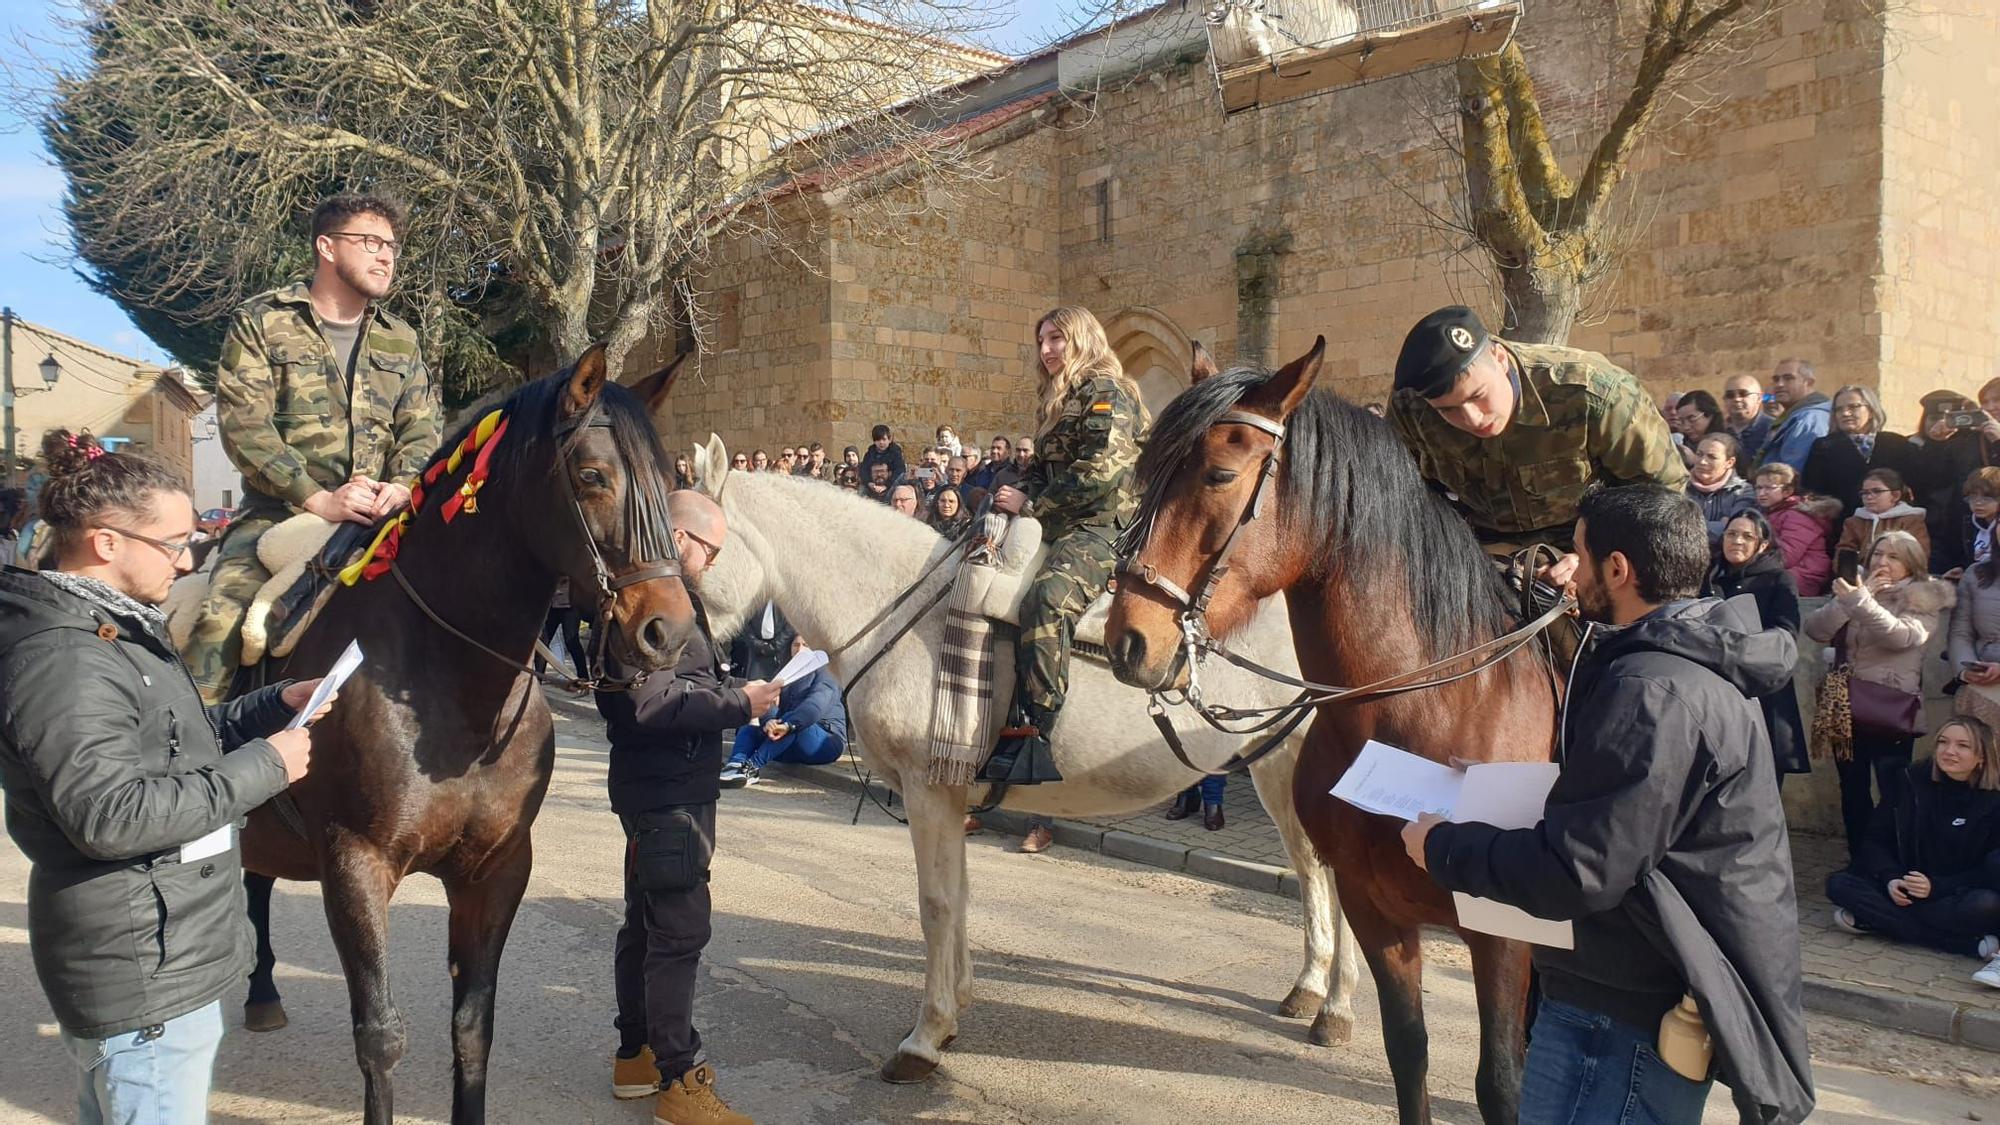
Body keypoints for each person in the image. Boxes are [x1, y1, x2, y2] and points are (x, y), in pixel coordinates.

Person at [1403, 484, 1812, 1125]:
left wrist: (1441, 848)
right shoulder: (1674, 668)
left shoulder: (1652, 691)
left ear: (1617, 570)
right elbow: (1628, 811)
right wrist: (1493, 783)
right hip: (1630, 990)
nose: (1568, 572)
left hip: (1617, 1016)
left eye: (1580, 554)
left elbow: (1580, 869)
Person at [0, 453, 323, 1125]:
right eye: (175, 544)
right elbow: (112, 815)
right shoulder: (67, 658)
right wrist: (269, 764)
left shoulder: (110, 629)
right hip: (142, 970)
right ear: (107, 540)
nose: (184, 563)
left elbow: (170, 740)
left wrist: (268, 706)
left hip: (160, 952)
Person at [184, 193, 441, 704]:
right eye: (370, 241)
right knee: (220, 620)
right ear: (326, 246)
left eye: (391, 245)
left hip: (381, 514)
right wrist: (316, 497)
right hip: (279, 515)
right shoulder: (262, 321)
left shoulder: (401, 340)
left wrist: (400, 485)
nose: (386, 256)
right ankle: (191, 752)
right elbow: (244, 427)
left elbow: (422, 429)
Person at [597, 490, 781, 1124]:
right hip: (665, 793)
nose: (712, 561)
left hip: (666, 787)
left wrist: (742, 695)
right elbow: (651, 704)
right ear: (681, 539)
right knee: (678, 933)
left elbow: (691, 681)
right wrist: (739, 706)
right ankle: (679, 1079)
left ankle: (637, 1056)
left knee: (646, 924)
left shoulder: (670, 600)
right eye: (712, 549)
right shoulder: (642, 602)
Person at [988, 305, 1147, 855]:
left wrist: (1033, 502)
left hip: (1102, 528)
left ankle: (1038, 730)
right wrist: (1013, 491)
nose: (1048, 349)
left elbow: (1102, 474)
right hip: (1056, 521)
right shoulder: (1056, 398)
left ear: (1082, 338)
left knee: (1048, 600)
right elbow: (1044, 465)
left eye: (1057, 338)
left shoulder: (1107, 391)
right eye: (1041, 341)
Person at [1388, 305, 1686, 587]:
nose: (1472, 418)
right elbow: (1402, 494)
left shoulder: (1594, 393)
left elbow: (1662, 495)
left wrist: (1596, 557)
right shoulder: (1411, 409)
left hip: (1585, 548)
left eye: (1478, 395)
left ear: (1500, 358)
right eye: (1447, 410)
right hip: (1478, 556)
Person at [1805, 530, 1955, 857]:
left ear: (1912, 563)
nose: (1882, 562)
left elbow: (1901, 637)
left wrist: (1859, 601)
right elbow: (1816, 630)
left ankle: (1895, 859)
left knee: (1894, 789)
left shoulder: (1922, 594)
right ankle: (1861, 858)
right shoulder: (1855, 588)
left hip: (1891, 707)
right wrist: (1853, 598)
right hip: (1846, 705)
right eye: (1877, 554)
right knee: (1853, 788)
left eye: (1894, 556)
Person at [1825, 716, 2000, 989]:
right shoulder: (1910, 780)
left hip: (1956, 894)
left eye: (1963, 746)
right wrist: (1891, 878)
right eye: (1943, 742)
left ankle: (1881, 922)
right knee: (1839, 884)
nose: (1949, 751)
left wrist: (1936, 887)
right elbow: (1875, 839)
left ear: (1981, 757)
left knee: (1986, 904)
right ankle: (1963, 944)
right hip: (1906, 889)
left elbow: (1990, 869)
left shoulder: (1994, 799)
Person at [1705, 510, 1810, 784]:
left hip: (1762, 691)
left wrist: (1738, 648)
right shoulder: (1708, 578)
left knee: (1763, 783)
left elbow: (1786, 634)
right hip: (1713, 691)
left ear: (1762, 544)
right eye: (1731, 534)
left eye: (1746, 536)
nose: (1737, 541)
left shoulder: (1778, 580)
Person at [720, 636, 848, 787]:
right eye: (796, 645)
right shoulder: (785, 671)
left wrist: (788, 724)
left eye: (805, 645)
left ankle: (751, 769)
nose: (800, 650)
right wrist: (770, 721)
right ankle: (735, 764)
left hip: (825, 740)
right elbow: (771, 706)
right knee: (754, 712)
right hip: (786, 739)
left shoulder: (828, 673)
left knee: (794, 722)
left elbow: (815, 705)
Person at [1801, 384, 1920, 526]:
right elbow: (1813, 489)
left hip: (1892, 526)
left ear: (1870, 409)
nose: (1845, 413)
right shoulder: (1824, 446)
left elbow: (1917, 483)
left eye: (1853, 407)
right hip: (1844, 527)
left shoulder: (1896, 443)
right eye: (1839, 409)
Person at [1753, 463, 1838, 596]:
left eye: (1769, 488)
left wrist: (1753, 566)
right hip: (1782, 572)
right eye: (1758, 488)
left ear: (1787, 491)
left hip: (1804, 576)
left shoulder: (1797, 515)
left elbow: (1787, 556)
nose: (1761, 493)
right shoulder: (1770, 512)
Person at [1832, 467, 1930, 583]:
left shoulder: (1911, 520)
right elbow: (1843, 554)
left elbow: (1918, 556)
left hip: (1901, 581)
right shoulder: (1854, 522)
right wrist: (1856, 573)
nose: (1869, 496)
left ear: (1895, 495)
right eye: (1865, 492)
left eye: (1877, 491)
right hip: (1860, 579)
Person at [1685, 432, 1755, 557]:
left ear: (1729, 462)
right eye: (1699, 454)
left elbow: (1734, 532)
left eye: (1712, 457)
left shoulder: (1743, 491)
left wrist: (1687, 525)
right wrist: (1720, 525)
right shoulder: (1679, 486)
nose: (1702, 462)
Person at [1758, 358, 1831, 471]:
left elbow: (1793, 472)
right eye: (1776, 379)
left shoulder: (1809, 419)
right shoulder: (1795, 415)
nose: (1779, 384)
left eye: (1788, 378)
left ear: (1809, 382)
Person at [730, 600, 794, 683]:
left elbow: (791, 626)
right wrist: (758, 644)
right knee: (754, 684)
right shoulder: (753, 602)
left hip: (780, 652)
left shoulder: (787, 603)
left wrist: (775, 645)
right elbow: (744, 624)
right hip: (753, 652)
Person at [1721, 374, 1773, 462]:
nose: (1736, 399)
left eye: (1743, 394)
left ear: (1759, 398)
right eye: (1730, 395)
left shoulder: (1773, 429)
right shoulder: (1718, 430)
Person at [1673, 389, 1724, 470]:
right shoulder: (1687, 443)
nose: (1686, 427)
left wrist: (1695, 461)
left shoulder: (1727, 443)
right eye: (1681, 421)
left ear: (1709, 415)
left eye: (1692, 419)